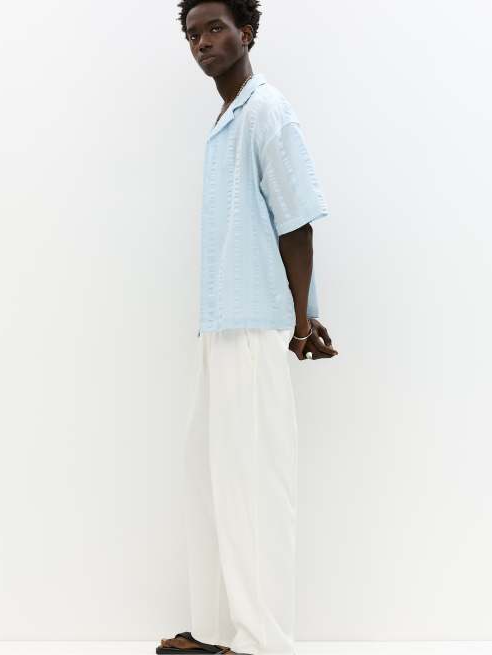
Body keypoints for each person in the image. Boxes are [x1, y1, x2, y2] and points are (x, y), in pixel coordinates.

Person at [158, 2, 338, 655]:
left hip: (256, 322)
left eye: (215, 28)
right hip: (221, 322)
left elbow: (296, 223)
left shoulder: (267, 112)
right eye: (193, 33)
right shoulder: (229, 116)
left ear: (247, 32)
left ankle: (264, 642)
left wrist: (301, 318)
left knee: (254, 482)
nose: (203, 42)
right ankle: (215, 631)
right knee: (209, 475)